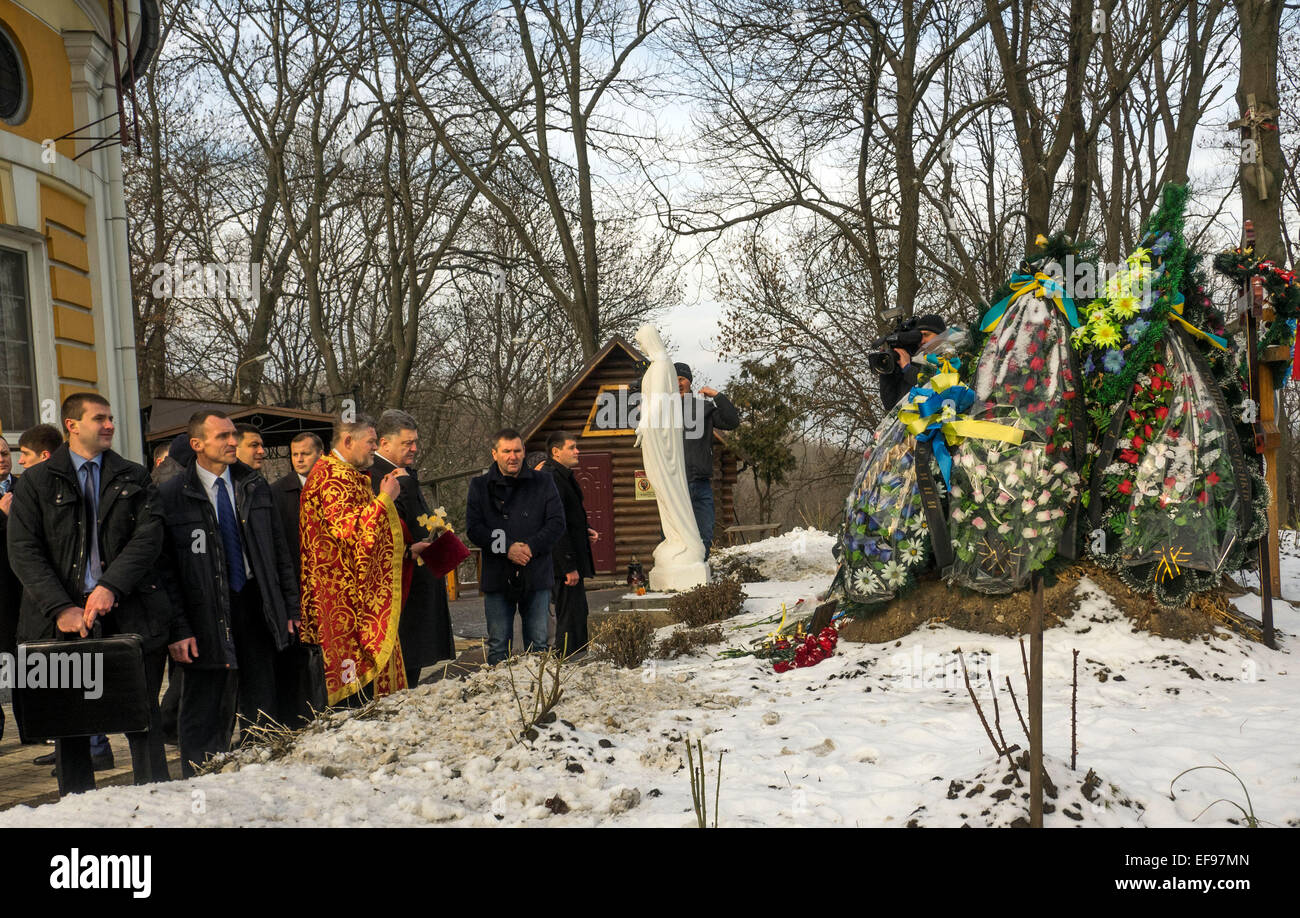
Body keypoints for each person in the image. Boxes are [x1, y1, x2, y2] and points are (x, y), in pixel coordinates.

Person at [6, 393, 174, 795]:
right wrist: (61, 606)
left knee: (142, 716)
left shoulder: (133, 476)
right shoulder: (37, 482)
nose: (110, 425)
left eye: (111, 418)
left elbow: (148, 539)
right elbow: (23, 550)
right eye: (100, 418)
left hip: (128, 612)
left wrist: (110, 586)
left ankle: (157, 801)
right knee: (69, 724)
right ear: (72, 425)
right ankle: (76, 810)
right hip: (58, 621)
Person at [158, 410, 301, 777]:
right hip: (205, 612)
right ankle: (202, 782)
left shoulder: (253, 485)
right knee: (205, 704)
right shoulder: (174, 494)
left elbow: (278, 553)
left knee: (262, 697)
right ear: (197, 444)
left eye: (233, 435)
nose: (232, 442)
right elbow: (165, 571)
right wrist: (178, 628)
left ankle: (264, 773)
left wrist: (289, 607)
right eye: (222, 436)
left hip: (255, 603)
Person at [299, 415, 406, 705]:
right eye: (371, 441)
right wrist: (385, 499)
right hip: (337, 597)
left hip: (347, 593)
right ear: (348, 441)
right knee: (351, 696)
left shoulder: (343, 472)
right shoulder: (334, 476)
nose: (375, 447)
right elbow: (352, 532)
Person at [369, 410, 456, 687]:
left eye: (415, 441)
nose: (415, 448)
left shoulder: (404, 474)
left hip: (420, 582)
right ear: (384, 443)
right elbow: (384, 530)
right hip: (401, 590)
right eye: (407, 443)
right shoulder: (377, 477)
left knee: (414, 669)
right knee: (403, 669)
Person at [465, 429, 565, 665]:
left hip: (536, 571)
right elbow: (475, 529)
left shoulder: (544, 482)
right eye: (507, 451)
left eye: (517, 450)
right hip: (498, 574)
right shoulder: (480, 486)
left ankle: (540, 695)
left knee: (539, 643)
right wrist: (507, 548)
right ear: (495, 453)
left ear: (524, 452)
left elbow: (556, 523)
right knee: (498, 645)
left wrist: (529, 548)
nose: (513, 456)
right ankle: (499, 698)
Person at [540, 432, 599, 657]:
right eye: (572, 447)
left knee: (577, 610)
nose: (577, 451)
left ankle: (578, 655)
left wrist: (584, 531)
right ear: (556, 451)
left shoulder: (563, 476)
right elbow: (554, 525)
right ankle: (566, 660)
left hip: (570, 558)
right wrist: (568, 566)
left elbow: (568, 516)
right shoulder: (551, 477)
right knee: (568, 613)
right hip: (561, 563)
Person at [675, 363, 739, 558]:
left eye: (682, 379)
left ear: (689, 382)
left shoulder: (703, 408)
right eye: (674, 379)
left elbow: (731, 421)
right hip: (676, 485)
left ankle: (699, 575)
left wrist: (717, 396)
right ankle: (678, 578)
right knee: (674, 537)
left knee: (705, 535)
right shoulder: (662, 410)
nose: (678, 383)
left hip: (701, 483)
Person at [270, 431, 324, 584]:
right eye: (295, 454)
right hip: (296, 575)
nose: (299, 459)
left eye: (305, 454)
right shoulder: (276, 491)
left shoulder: (335, 486)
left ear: (321, 454)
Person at [878, 314, 945, 409]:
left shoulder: (953, 356)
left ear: (941, 336)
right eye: (919, 337)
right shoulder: (915, 363)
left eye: (926, 335)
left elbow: (937, 387)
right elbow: (890, 404)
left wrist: (907, 368)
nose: (922, 341)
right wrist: (886, 368)